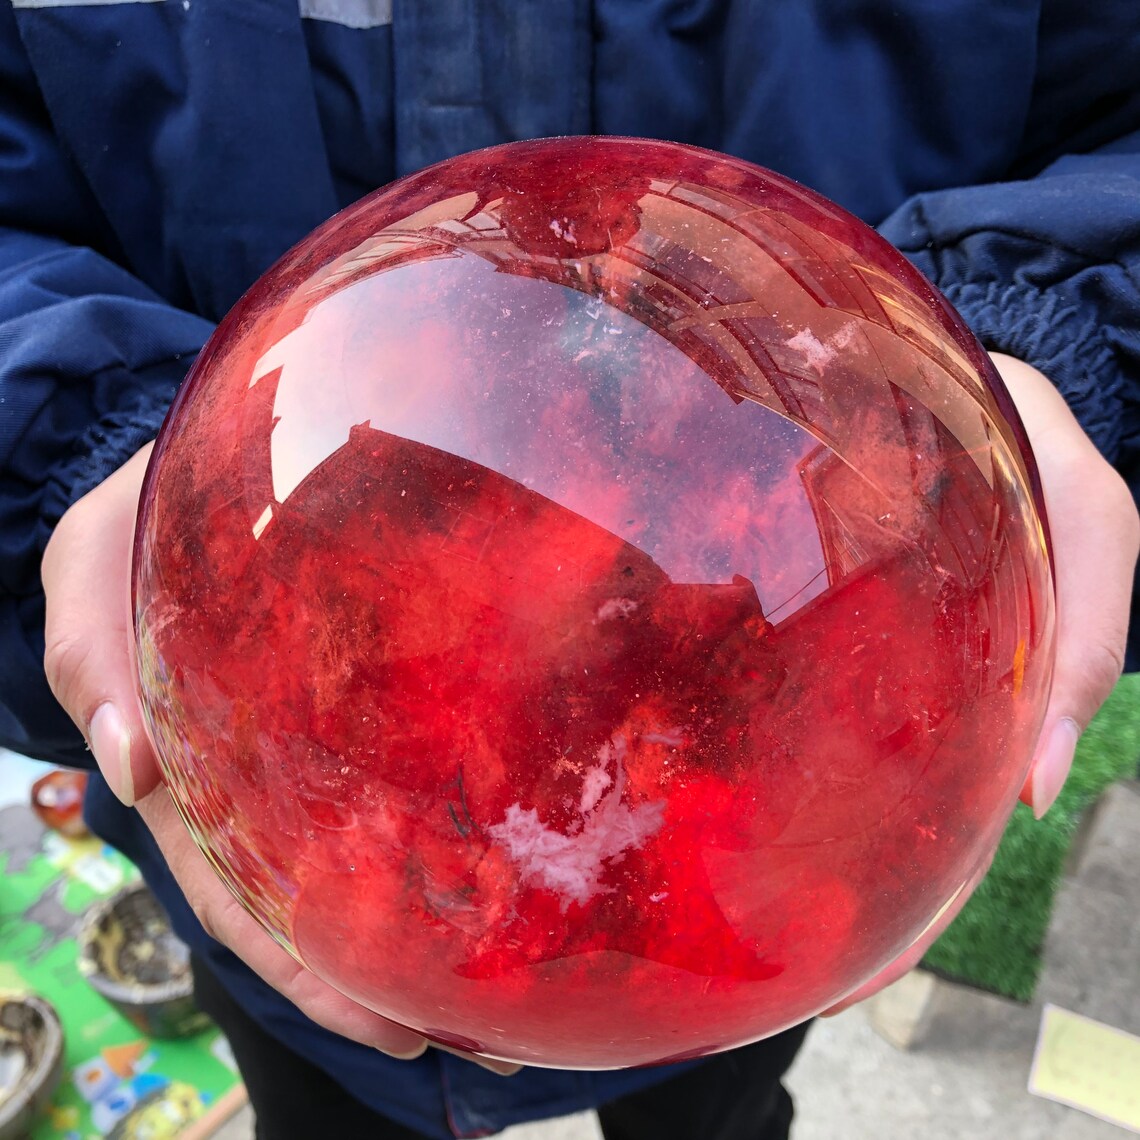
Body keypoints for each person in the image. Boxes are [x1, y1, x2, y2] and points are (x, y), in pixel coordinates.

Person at [2, 2, 1138, 1137]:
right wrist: (78, 443)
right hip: (288, 891)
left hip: (772, 868)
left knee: (718, 1104)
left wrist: (1052, 339)